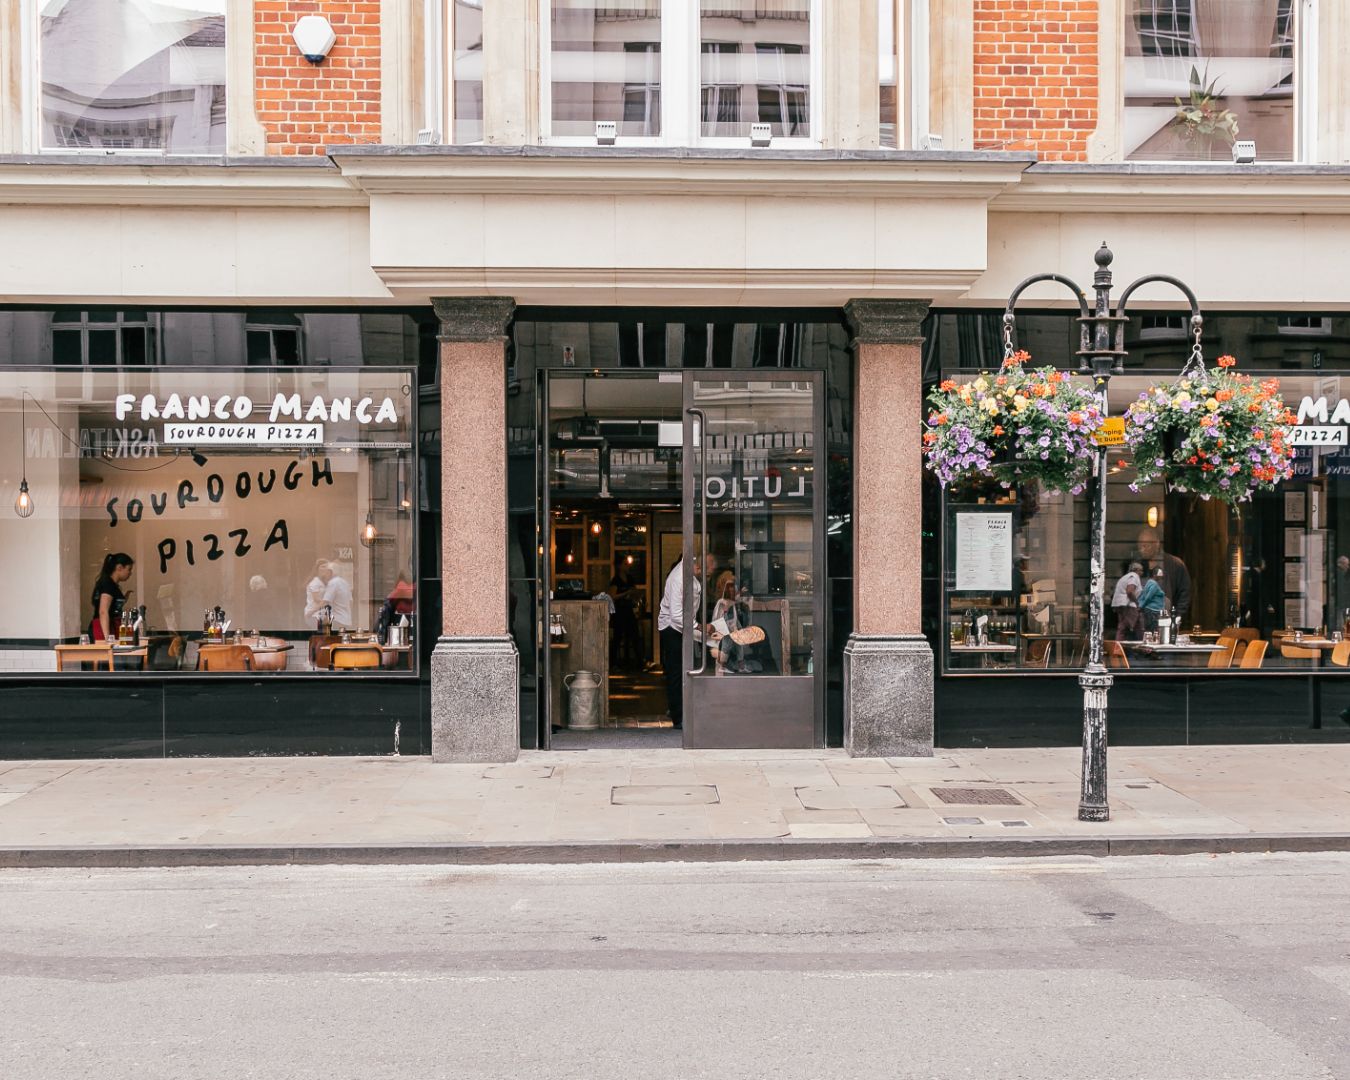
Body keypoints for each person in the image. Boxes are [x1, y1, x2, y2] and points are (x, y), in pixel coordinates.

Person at [657, 554, 711, 729]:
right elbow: (676, 615)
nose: (702, 569)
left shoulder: (691, 576)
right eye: (700, 566)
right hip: (671, 628)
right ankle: (678, 718)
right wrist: (699, 627)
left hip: (684, 627)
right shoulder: (677, 578)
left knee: (686, 670)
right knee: (675, 673)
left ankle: (684, 711)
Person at [1136, 527, 1192, 625]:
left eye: (1146, 545)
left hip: (1165, 621)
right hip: (1140, 624)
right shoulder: (1136, 565)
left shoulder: (1174, 564)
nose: (1142, 549)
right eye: (1140, 545)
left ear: (1157, 544)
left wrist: (1176, 617)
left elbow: (1185, 593)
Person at [710, 569, 750, 673]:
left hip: (734, 625)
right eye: (731, 588)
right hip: (727, 627)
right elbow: (725, 611)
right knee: (726, 646)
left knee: (739, 645)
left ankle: (740, 666)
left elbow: (735, 600)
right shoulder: (723, 602)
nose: (734, 589)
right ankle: (722, 666)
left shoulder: (730, 601)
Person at [89, 553, 134, 642]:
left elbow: (112, 605)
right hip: (103, 627)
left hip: (111, 625)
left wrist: (125, 598)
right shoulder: (108, 584)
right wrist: (107, 638)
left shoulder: (112, 585)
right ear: (120, 568)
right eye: (129, 569)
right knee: (106, 654)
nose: (130, 573)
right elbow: (103, 611)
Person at [607, 561, 642, 671]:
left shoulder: (630, 579)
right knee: (618, 637)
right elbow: (612, 596)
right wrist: (625, 594)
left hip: (629, 610)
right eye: (625, 564)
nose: (627, 566)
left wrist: (634, 596)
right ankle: (613, 663)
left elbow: (635, 592)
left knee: (634, 635)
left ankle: (638, 662)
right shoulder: (616, 580)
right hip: (619, 612)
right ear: (620, 566)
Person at [1111, 560, 1144, 642]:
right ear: (1136, 570)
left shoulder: (1125, 577)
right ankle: (1119, 647)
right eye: (1141, 570)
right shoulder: (1134, 576)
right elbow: (1129, 591)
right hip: (1128, 605)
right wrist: (1137, 602)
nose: (1142, 573)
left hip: (1120, 604)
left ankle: (1139, 645)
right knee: (1128, 626)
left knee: (1129, 626)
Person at [319, 562, 354, 628]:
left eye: (326, 572)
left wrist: (313, 611)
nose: (325, 574)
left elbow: (325, 601)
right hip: (347, 620)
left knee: (335, 638)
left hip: (337, 620)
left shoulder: (333, 583)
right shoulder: (345, 583)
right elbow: (351, 602)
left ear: (331, 572)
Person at [303, 559, 329, 625]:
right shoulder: (315, 582)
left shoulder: (323, 582)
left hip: (322, 615)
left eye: (327, 567)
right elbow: (316, 599)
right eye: (323, 566)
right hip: (314, 615)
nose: (325, 568)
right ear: (317, 568)